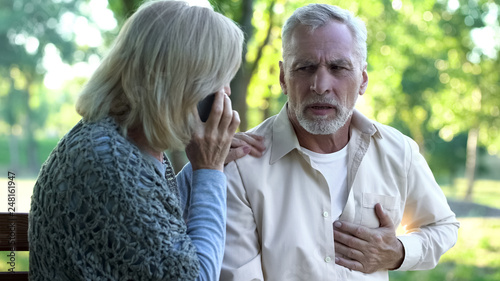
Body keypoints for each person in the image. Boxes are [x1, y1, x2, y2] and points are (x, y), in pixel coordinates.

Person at [220, 3, 460, 280]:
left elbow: (442, 227)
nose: (320, 85)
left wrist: (397, 251)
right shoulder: (241, 165)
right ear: (283, 78)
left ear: (363, 80)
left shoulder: (398, 151)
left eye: (338, 67)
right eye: (305, 67)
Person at [29, 1, 245, 280]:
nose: (226, 91)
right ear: (182, 80)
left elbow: (155, 228)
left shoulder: (119, 143)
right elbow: (196, 276)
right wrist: (209, 171)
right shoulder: (110, 162)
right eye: (220, 78)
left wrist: (202, 166)